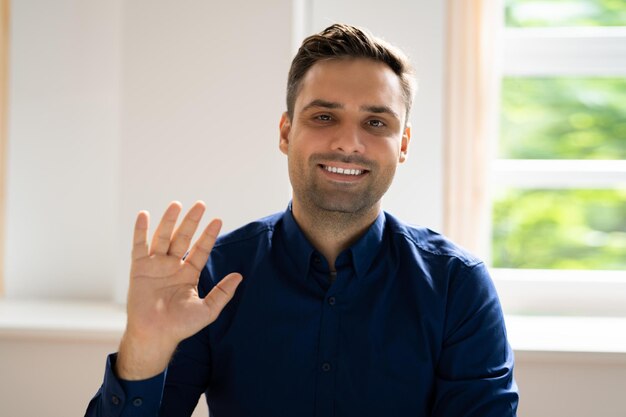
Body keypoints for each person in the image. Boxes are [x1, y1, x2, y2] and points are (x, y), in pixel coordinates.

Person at [85, 23, 518, 417]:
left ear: (402, 144)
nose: (349, 143)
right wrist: (143, 346)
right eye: (324, 116)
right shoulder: (209, 277)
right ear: (286, 132)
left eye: (375, 122)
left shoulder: (456, 287)